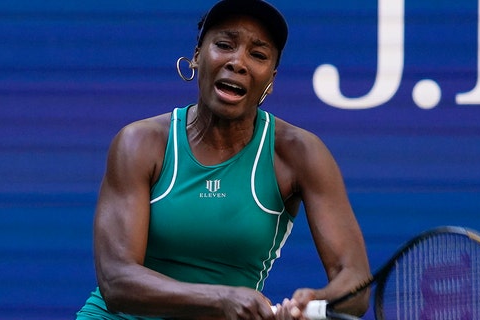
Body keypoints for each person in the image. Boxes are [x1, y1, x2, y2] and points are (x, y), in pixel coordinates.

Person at [76, 0, 370, 319]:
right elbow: (116, 281)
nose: (238, 62)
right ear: (198, 57)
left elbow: (355, 283)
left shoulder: (300, 152)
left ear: (270, 80)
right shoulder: (139, 143)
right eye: (224, 45)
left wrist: (313, 302)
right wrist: (220, 298)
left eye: (257, 55)